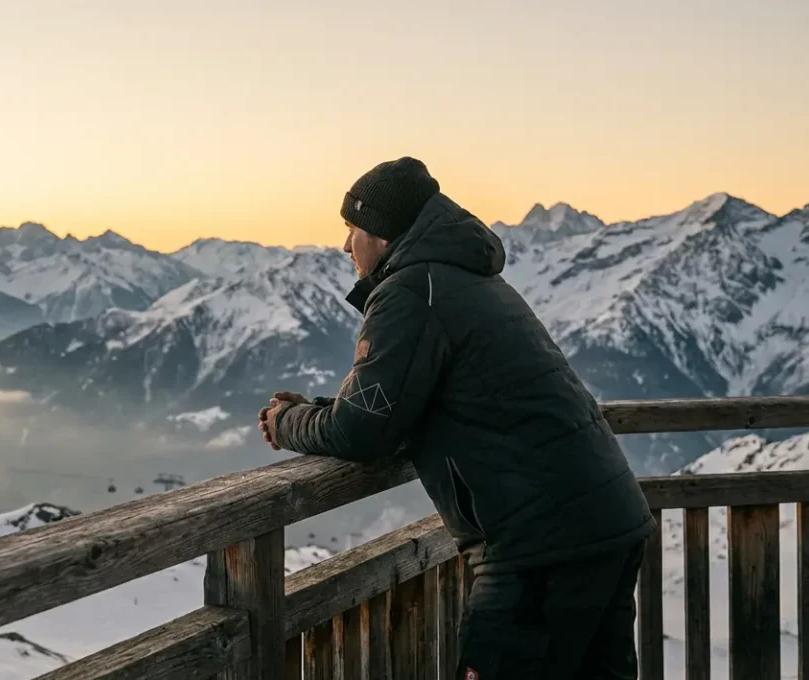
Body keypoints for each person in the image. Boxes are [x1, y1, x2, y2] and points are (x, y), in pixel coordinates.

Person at [258, 157, 654, 679]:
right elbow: (401, 402)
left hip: (538, 548)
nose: (345, 244)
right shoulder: (464, 278)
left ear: (380, 233)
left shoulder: (410, 291)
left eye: (351, 228)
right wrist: (320, 410)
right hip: (607, 522)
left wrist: (287, 423)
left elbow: (363, 429)